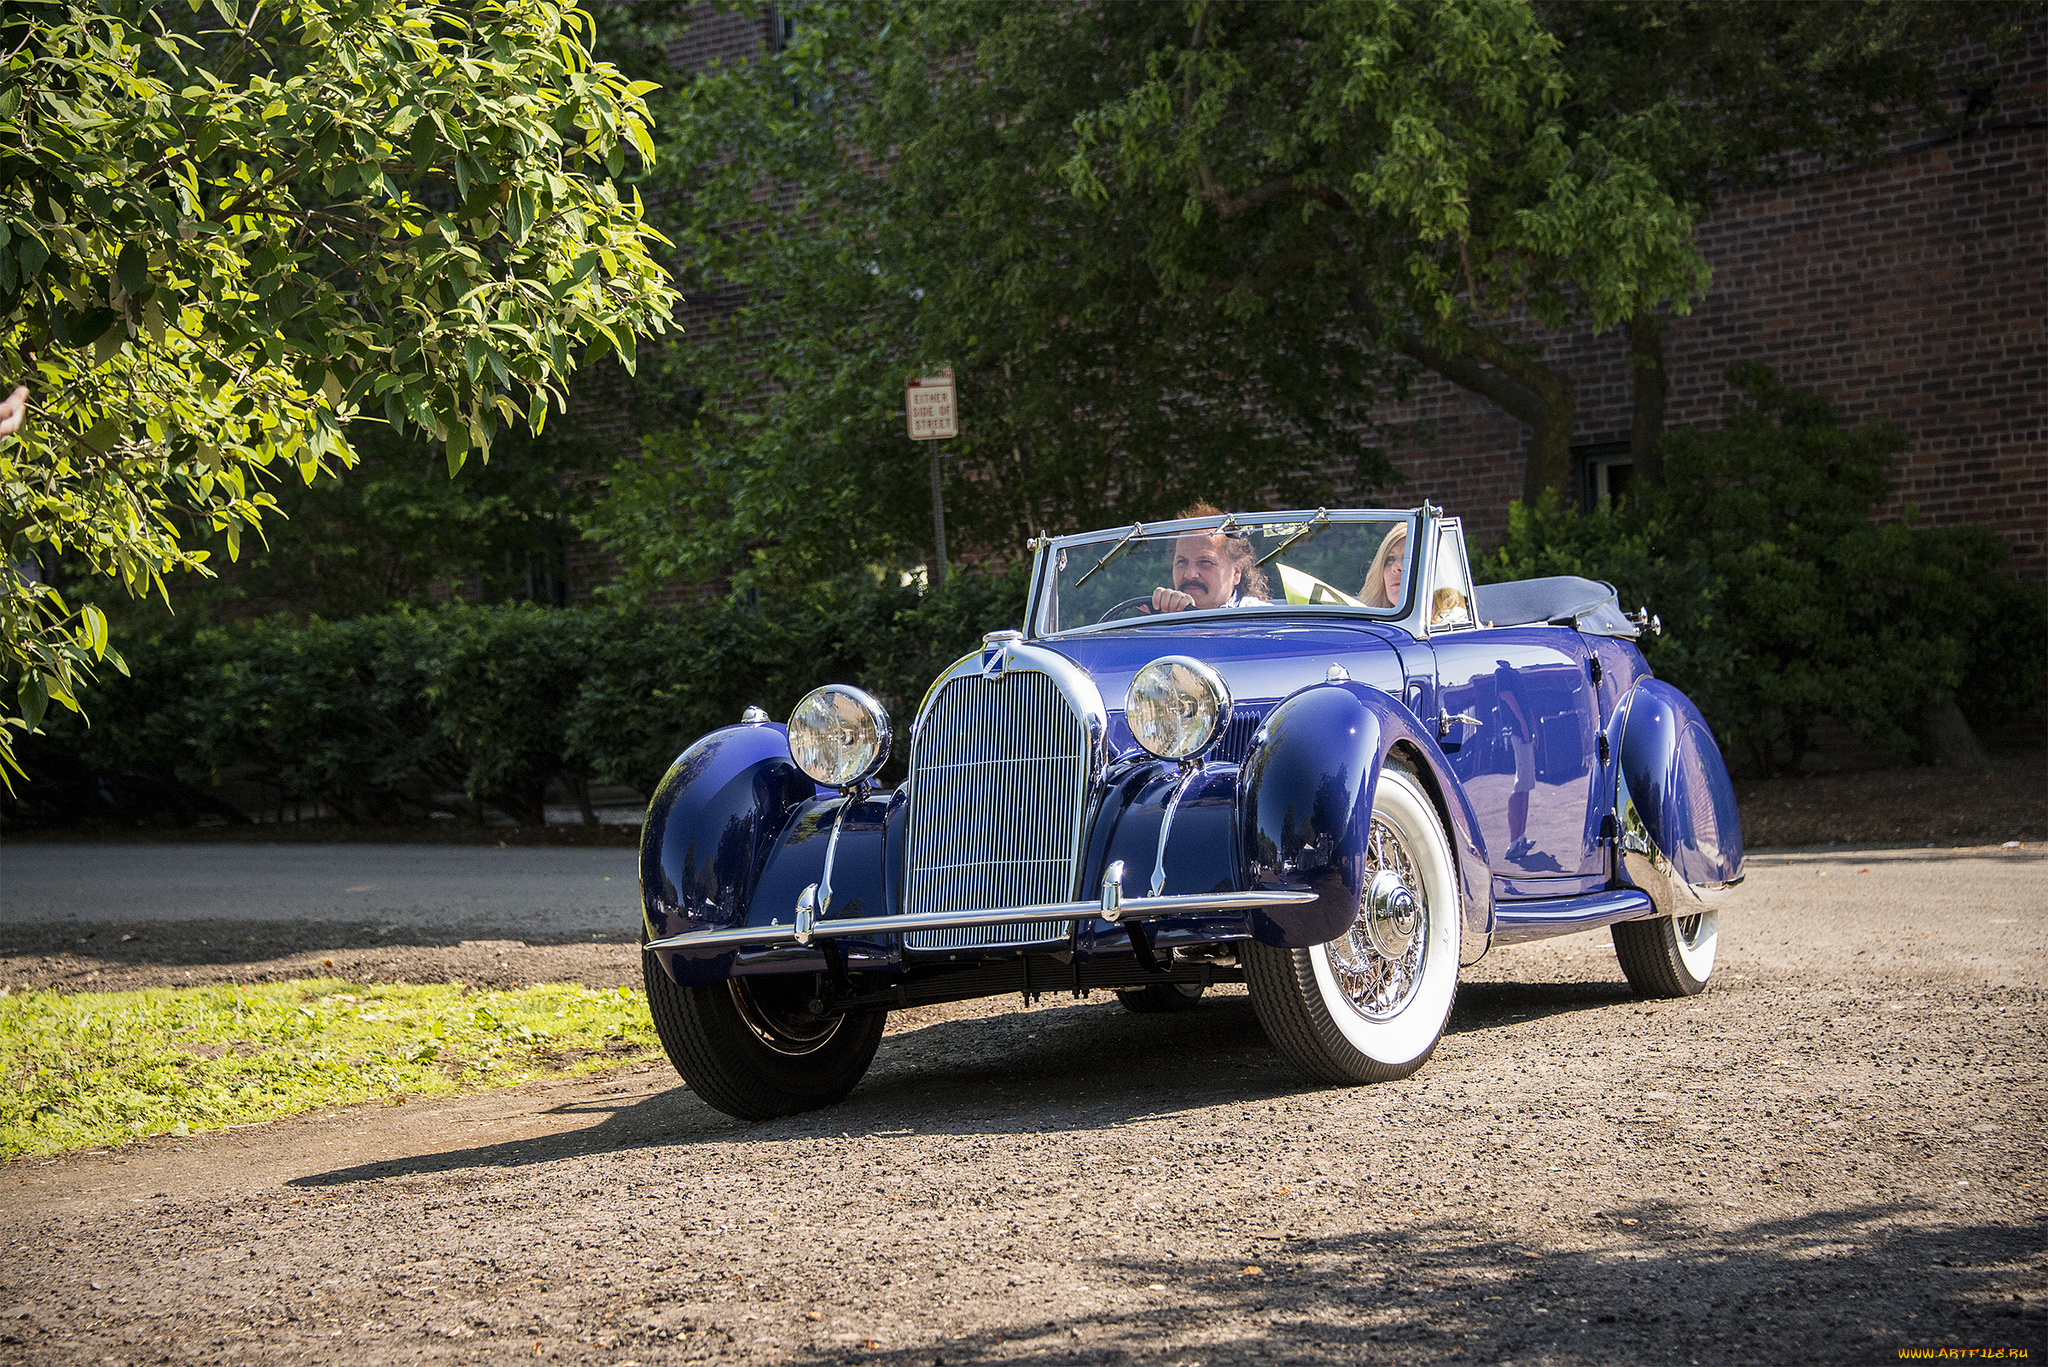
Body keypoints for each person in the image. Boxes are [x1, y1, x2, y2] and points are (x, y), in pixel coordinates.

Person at [1149, 501, 1272, 613]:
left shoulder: (1262, 619)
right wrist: (1164, 623)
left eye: (1205, 562)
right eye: (1182, 562)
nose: (1190, 575)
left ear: (1236, 572)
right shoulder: (1162, 620)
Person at [1359, 523, 1407, 608]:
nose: (1396, 566)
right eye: (1390, 558)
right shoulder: (1363, 618)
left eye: (1408, 557)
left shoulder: (1437, 621)